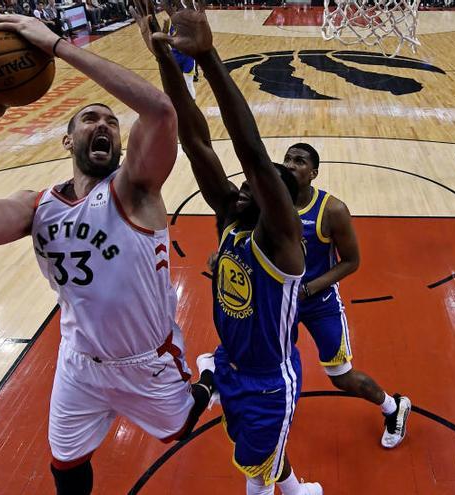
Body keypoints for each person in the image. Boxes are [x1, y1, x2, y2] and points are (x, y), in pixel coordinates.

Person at [0, 13, 215, 495]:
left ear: (121, 145)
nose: (102, 124)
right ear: (68, 141)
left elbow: (162, 113)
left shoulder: (135, 190)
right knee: (65, 463)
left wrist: (59, 46)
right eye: (90, 119)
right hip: (79, 361)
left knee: (180, 426)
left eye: (110, 122)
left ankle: (206, 379)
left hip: (146, 360)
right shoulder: (36, 206)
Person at [132, 1, 322, 493]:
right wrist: (165, 61)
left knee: (252, 479)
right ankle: (298, 488)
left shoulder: (282, 242)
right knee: (257, 458)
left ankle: (287, 487)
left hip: (267, 382)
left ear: (273, 198)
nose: (239, 188)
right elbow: (196, 141)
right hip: (230, 364)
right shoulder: (233, 222)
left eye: (253, 187)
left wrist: (211, 58)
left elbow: (253, 154)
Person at [283, 142, 411, 449]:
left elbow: (352, 262)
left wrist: (309, 289)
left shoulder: (333, 210)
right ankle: (285, 407)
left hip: (319, 303)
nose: (290, 165)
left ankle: (394, 407)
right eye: (287, 159)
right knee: (279, 360)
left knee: (340, 376)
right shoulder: (272, 202)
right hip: (283, 303)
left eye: (299, 161)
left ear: (313, 173)